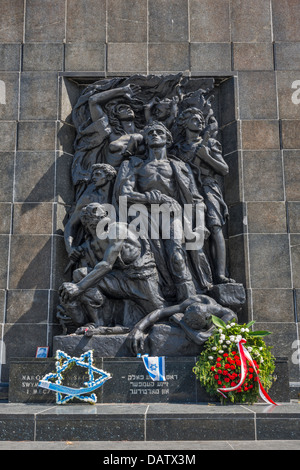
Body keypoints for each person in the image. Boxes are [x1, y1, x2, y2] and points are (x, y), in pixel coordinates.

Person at [115, 121, 213, 301]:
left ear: (168, 138)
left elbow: (196, 198)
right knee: (152, 260)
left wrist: (199, 225)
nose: (154, 134)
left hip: (172, 214)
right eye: (150, 132)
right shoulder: (134, 164)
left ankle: (189, 300)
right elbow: (124, 193)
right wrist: (152, 197)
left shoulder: (180, 166)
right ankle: (160, 299)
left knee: (176, 255)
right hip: (142, 216)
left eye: (159, 132)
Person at [58, 203, 165, 332]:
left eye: (99, 220)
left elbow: (107, 265)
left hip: (140, 280)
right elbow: (90, 260)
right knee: (80, 274)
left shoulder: (117, 229)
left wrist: (78, 287)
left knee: (158, 311)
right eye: (92, 224)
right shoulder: (90, 244)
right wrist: (73, 250)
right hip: (119, 280)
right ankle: (99, 323)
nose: (96, 226)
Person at [175, 108, 235, 284]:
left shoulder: (209, 144)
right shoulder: (178, 148)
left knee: (215, 226)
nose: (200, 121)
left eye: (201, 119)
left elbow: (224, 169)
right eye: (194, 119)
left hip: (207, 188)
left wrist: (206, 157)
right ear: (184, 123)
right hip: (185, 191)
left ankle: (220, 274)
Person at [127, 294, 238, 355]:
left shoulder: (228, 316)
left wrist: (181, 322)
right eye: (185, 319)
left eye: (191, 324)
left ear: (208, 319)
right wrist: (139, 328)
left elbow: (201, 338)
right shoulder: (194, 301)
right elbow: (161, 312)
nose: (187, 323)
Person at [64, 163, 117, 265]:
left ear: (109, 176)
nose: (93, 178)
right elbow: (71, 224)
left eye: (97, 174)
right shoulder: (88, 198)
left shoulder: (118, 193)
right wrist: (70, 248)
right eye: (93, 175)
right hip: (95, 247)